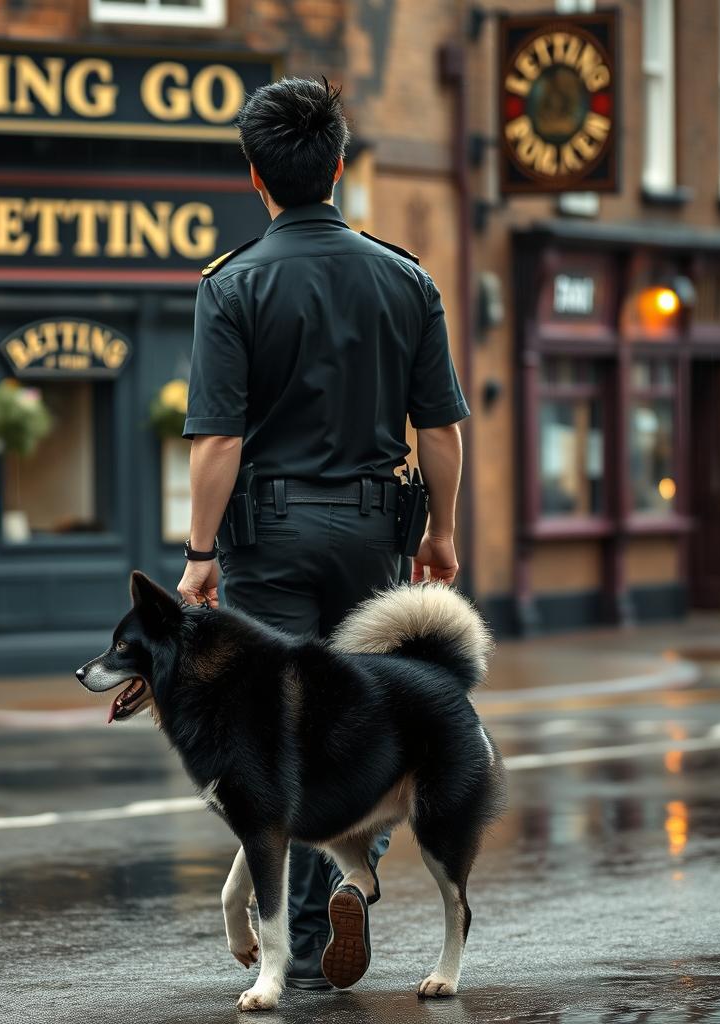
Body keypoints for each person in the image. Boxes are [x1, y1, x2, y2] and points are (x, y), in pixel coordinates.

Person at [176, 77, 469, 991]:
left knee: (277, 733)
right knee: (368, 713)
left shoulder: (231, 286)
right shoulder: (407, 278)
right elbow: (442, 431)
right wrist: (442, 539)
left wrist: (199, 555)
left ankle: (298, 936)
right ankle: (349, 878)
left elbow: (219, 439)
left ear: (255, 178)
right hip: (373, 533)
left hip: (268, 538)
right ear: (339, 166)